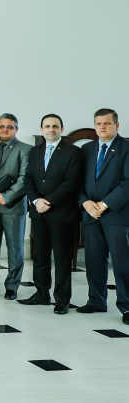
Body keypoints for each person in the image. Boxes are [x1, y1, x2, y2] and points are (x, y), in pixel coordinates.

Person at [20, 113, 83, 314]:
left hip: (61, 213)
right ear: (41, 130)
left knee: (62, 258)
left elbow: (72, 181)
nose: (51, 129)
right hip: (38, 212)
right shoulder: (35, 151)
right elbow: (28, 178)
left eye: (55, 126)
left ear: (61, 129)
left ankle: (62, 299)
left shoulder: (73, 152)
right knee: (40, 256)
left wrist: (49, 201)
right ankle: (41, 293)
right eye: (47, 126)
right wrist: (36, 200)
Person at [76, 108, 129, 325]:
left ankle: (127, 306)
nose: (102, 127)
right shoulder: (87, 149)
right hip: (91, 213)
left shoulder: (126, 148)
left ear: (117, 125)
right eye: (98, 124)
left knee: (122, 263)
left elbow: (127, 183)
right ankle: (96, 300)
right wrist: (85, 202)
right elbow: (77, 180)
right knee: (94, 260)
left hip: (117, 214)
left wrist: (105, 204)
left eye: (107, 123)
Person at [0, 113, 31, 300]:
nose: (5, 130)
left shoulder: (26, 149)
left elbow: (25, 178)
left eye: (9, 127)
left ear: (16, 129)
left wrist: (7, 197)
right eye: (1, 126)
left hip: (13, 206)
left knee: (15, 248)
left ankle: (12, 286)